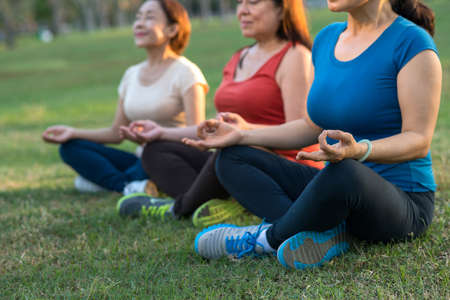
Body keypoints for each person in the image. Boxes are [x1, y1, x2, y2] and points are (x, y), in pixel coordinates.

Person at [189, 0, 441, 270]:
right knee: (233, 158)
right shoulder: (327, 39)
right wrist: (242, 134)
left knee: (345, 171)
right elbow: (311, 126)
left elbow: (418, 140)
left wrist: (359, 151)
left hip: (403, 202)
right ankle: (322, 231)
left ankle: (264, 240)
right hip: (334, 185)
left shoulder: (413, 43)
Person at [116, 0, 323, 226]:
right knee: (156, 150)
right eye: (239, 3)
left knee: (231, 151)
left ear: (282, 9)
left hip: (280, 164)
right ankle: (228, 202)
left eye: (252, 2)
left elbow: (300, 134)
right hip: (234, 152)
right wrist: (161, 132)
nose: (242, 10)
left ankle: (179, 208)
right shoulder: (239, 56)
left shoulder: (295, 55)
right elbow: (217, 129)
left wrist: (244, 132)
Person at [42, 0, 208, 195]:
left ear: (172, 29)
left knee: (151, 153)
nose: (138, 23)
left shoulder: (187, 72)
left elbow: (198, 134)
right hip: (141, 157)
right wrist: (73, 132)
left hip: (168, 159)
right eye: (138, 18)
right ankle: (128, 186)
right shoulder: (131, 74)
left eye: (149, 18)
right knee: (71, 148)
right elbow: (115, 133)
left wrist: (158, 134)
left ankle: (110, 182)